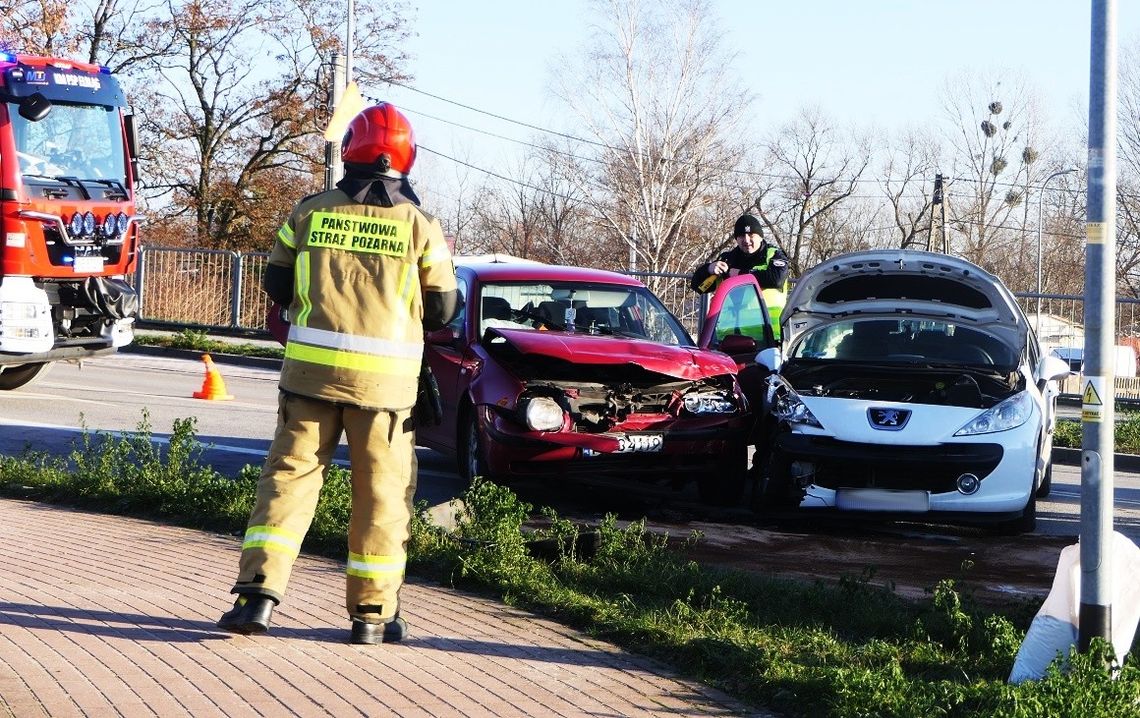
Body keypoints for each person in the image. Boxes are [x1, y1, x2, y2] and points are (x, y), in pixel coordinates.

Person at [217, 102, 459, 645]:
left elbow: (276, 285)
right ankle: (372, 618)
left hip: (308, 381)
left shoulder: (308, 211)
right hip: (387, 392)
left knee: (289, 482)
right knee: (382, 496)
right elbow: (443, 311)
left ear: (351, 148)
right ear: (406, 160)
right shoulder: (421, 227)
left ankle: (256, 598)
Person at [690, 213, 791, 338]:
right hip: (728, 339)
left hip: (767, 338)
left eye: (751, 235)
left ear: (760, 237)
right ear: (736, 239)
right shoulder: (728, 259)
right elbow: (697, 286)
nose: (746, 240)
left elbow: (776, 280)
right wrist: (708, 269)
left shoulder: (774, 255)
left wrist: (740, 274)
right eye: (742, 236)